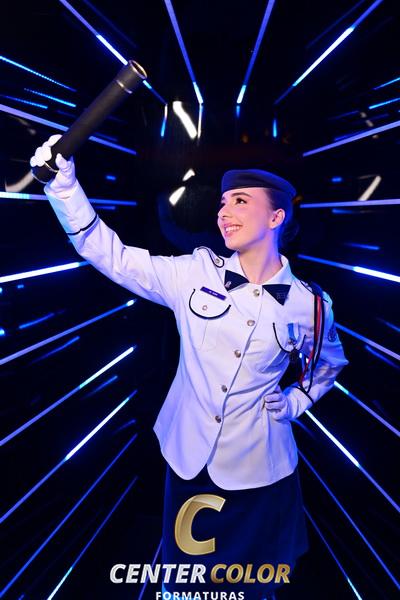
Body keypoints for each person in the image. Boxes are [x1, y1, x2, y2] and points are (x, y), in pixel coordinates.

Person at [31, 136, 348, 599]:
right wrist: (63, 186)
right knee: (186, 584)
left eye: (240, 201)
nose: (224, 212)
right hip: (190, 461)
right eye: (222, 203)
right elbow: (109, 254)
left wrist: (297, 400)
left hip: (261, 472)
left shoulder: (311, 305)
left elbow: (329, 363)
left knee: (253, 587)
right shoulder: (193, 273)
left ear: (276, 217)